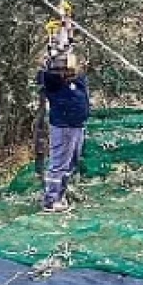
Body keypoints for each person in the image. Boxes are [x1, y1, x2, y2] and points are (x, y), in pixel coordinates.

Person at [37, 53, 90, 213]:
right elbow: (46, 76)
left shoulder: (78, 80)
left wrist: (67, 33)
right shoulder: (54, 82)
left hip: (77, 125)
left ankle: (61, 194)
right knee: (59, 163)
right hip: (63, 126)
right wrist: (50, 60)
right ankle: (51, 200)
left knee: (71, 162)